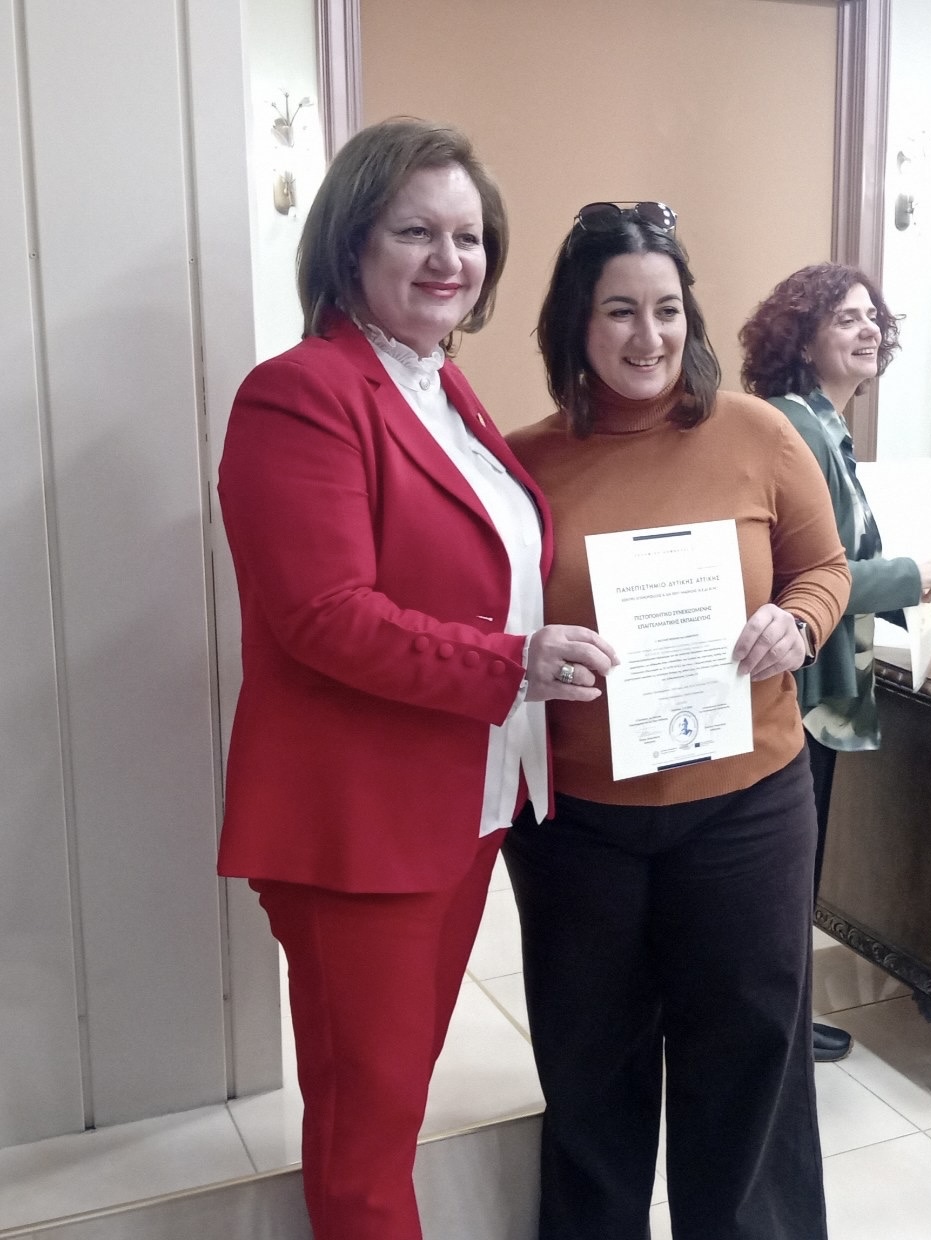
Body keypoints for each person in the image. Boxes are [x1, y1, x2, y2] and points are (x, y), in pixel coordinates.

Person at [216, 118, 615, 1240]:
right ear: (351, 243)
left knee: (389, 1101)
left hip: (462, 804)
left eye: (469, 236)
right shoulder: (301, 391)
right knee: (367, 1133)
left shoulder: (443, 389)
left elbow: (481, 575)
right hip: (360, 828)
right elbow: (323, 616)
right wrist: (514, 662)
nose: (450, 260)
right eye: (416, 233)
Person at [503, 203, 851, 1240]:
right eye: (619, 310)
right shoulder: (519, 465)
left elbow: (823, 568)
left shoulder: (757, 433)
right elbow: (487, 619)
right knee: (589, 1073)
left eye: (666, 309)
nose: (647, 335)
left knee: (747, 1062)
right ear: (576, 321)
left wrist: (797, 622)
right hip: (579, 824)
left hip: (746, 809)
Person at [739, 263, 931, 1064]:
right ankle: (777, 1032)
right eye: (846, 319)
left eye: (873, 319)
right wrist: (909, 576)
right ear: (802, 339)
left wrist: (914, 597)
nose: (869, 331)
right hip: (798, 688)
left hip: (818, 680)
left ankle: (786, 1022)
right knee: (782, 876)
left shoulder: (823, 425)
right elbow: (804, 575)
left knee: (795, 870)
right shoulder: (795, 428)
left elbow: (839, 560)